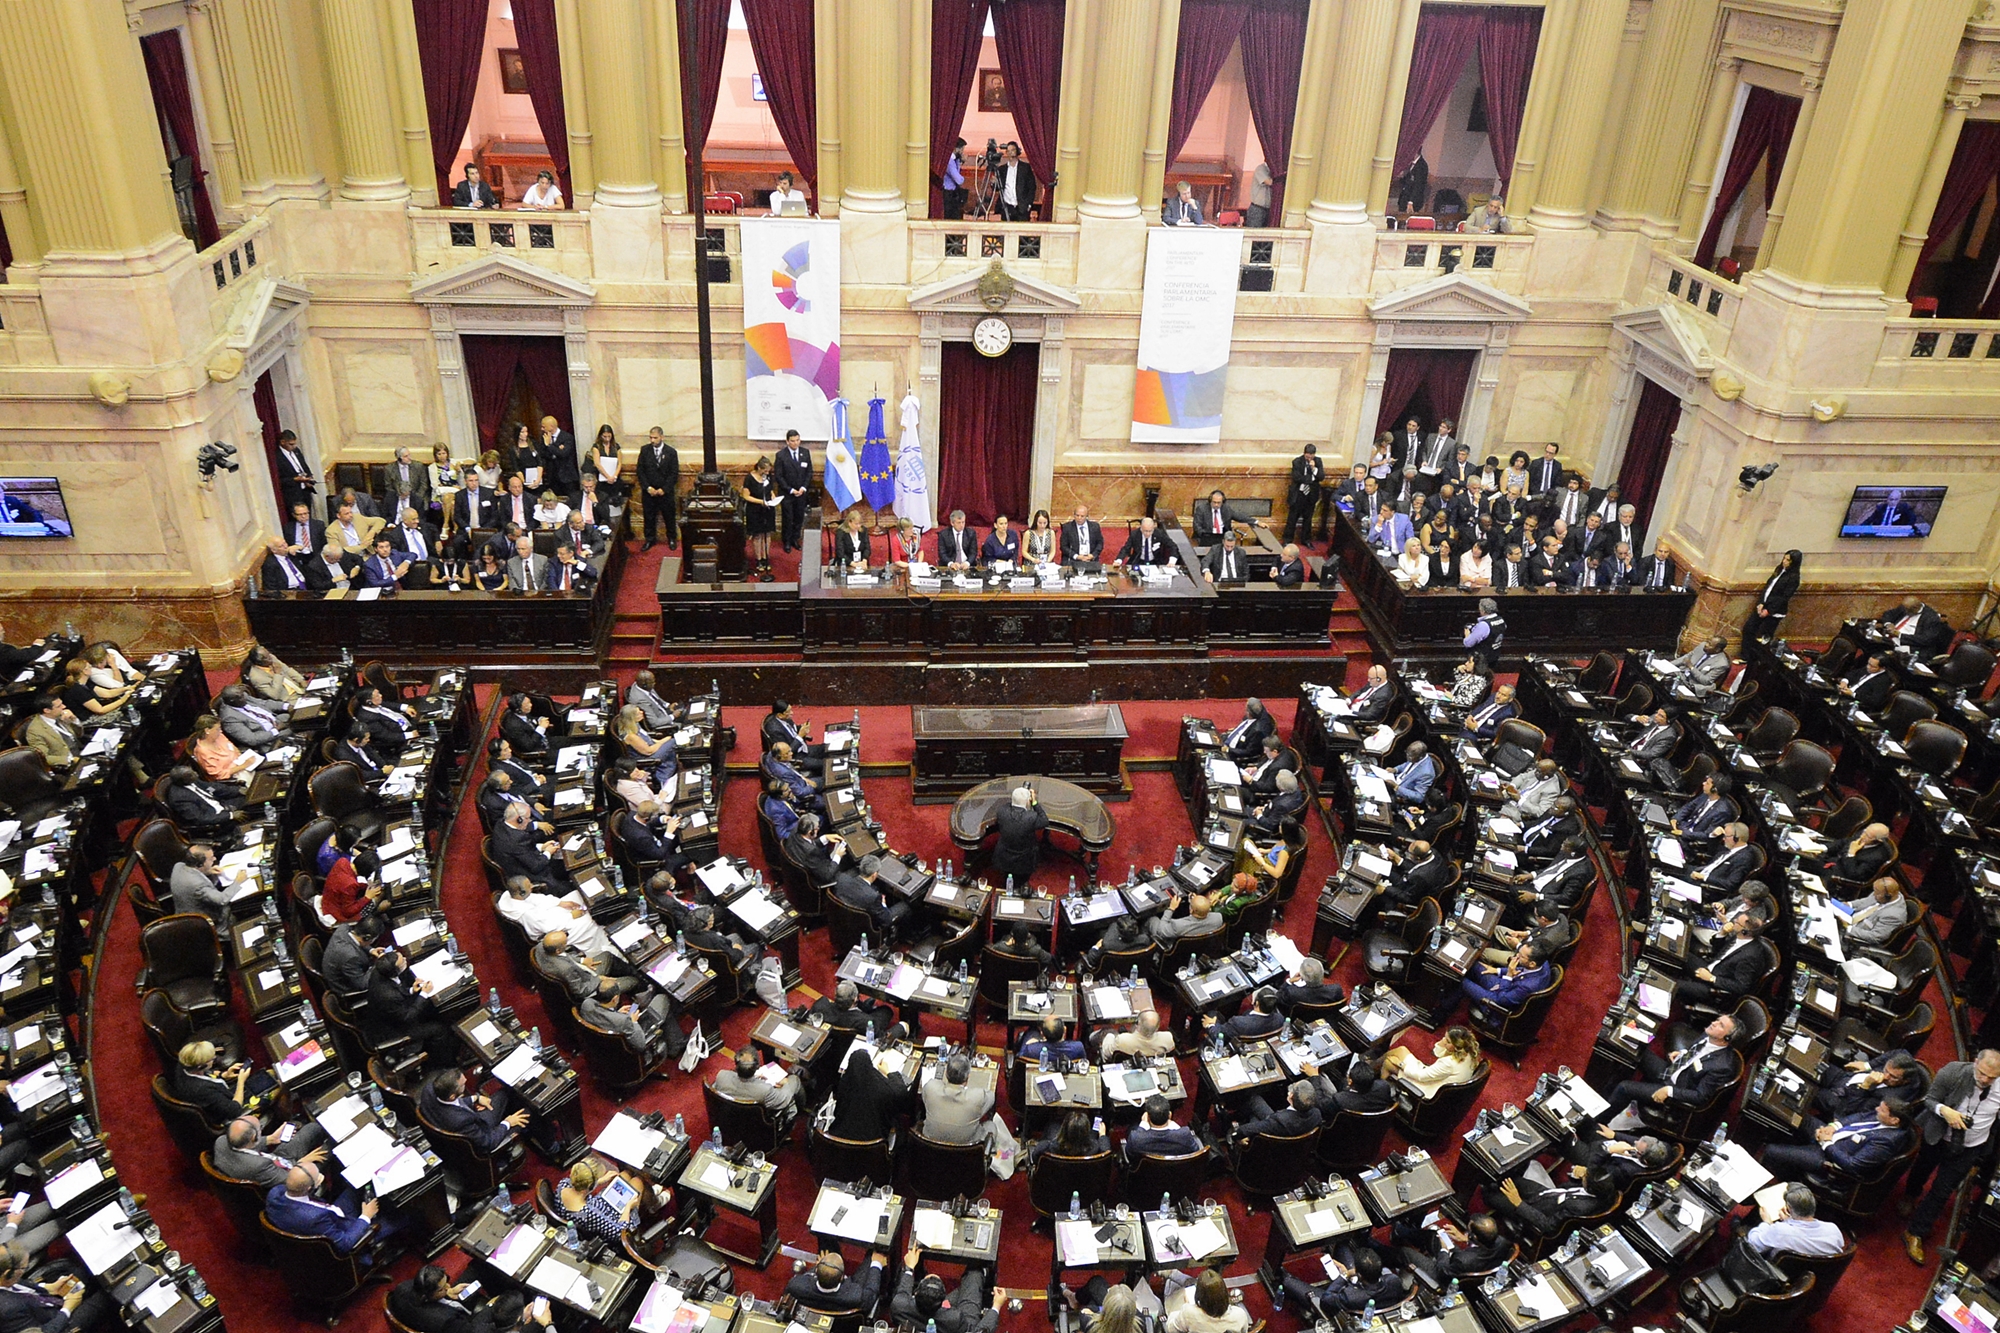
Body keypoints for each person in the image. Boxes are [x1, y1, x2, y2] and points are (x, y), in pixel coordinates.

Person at [1902, 1048, 2000, 1263]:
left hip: (1970, 1146)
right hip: (1939, 1136)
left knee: (1942, 1191)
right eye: (1982, 1073)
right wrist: (1944, 1110)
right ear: (1975, 1062)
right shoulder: (1954, 1071)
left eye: (1992, 1077)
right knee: (1922, 1169)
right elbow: (1929, 1099)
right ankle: (1910, 1194)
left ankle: (1915, 1232)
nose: (1985, 1080)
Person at [1600, 1013, 1740, 1124]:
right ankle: (1605, 1093)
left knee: (1625, 1088)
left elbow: (1700, 1097)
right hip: (1671, 1071)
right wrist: (1684, 1054)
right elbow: (1697, 1052)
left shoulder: (1722, 1067)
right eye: (1717, 1020)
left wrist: (1669, 1091)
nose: (1714, 1023)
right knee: (1637, 1048)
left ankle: (1598, 1121)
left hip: (1675, 1089)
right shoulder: (1709, 1034)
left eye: (1720, 1025)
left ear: (1726, 1038)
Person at [1762, 1096, 1914, 1182]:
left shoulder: (1886, 1143)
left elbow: (1852, 1165)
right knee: (1793, 1114)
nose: (1876, 1110)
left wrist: (1826, 1142)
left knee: (1771, 1151)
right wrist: (1834, 1126)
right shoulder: (1884, 1117)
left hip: (1829, 1159)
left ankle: (1781, 1179)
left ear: (1894, 1120)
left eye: (1881, 1110)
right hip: (1832, 1135)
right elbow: (1860, 1116)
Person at [0, 1241, 116, 1332]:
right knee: (107, 1294)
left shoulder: (4, 1277)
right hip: (58, 1324)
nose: (25, 1269)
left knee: (84, 1272)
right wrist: (67, 1309)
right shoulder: (9, 1310)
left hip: (46, 1301)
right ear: (7, 1273)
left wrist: (49, 1288)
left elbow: (20, 1287)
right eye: (23, 1268)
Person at [1487, 1161, 1618, 1241]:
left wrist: (1519, 1203)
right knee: (1510, 1178)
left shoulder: (1578, 1208)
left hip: (1534, 1211)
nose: (1584, 1173)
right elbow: (1567, 1189)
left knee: (1490, 1195)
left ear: (1588, 1186)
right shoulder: (1606, 1188)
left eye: (1585, 1176)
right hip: (1547, 1194)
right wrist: (1576, 1176)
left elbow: (1548, 1226)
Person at [389, 1264, 536, 1333]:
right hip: (464, 1323)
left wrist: (447, 1293)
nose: (448, 1287)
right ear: (426, 1295)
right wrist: (490, 1306)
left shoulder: (404, 1287)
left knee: (477, 1267)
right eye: (442, 1289)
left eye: (446, 1282)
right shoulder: (446, 1321)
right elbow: (473, 1329)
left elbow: (442, 1291)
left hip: (441, 1307)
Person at [418, 1067, 530, 1156]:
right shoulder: (460, 1121)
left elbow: (451, 1103)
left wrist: (475, 1098)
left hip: (450, 1121)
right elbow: (488, 1143)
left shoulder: (429, 1090)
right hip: (483, 1133)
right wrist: (507, 1123)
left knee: (505, 1092)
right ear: (452, 1096)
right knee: (527, 1111)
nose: (466, 1081)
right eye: (463, 1085)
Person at [497, 876, 616, 957]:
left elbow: (537, 899)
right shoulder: (526, 914)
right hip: (550, 931)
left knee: (576, 895)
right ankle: (602, 946)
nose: (532, 886)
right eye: (529, 886)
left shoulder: (510, 894)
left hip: (547, 916)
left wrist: (559, 903)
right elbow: (548, 927)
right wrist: (571, 916)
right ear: (521, 892)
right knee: (589, 920)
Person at [212, 1115, 329, 1191]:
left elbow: (245, 1145)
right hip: (288, 1173)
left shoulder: (221, 1141)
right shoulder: (260, 1167)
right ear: (253, 1137)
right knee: (329, 1149)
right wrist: (302, 1162)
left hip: (276, 1159)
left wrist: (270, 1139)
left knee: (313, 1128)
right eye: (260, 1128)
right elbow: (292, 1182)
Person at [1278, 1247, 1402, 1317]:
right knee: (1343, 1248)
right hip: (1363, 1292)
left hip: (1339, 1305)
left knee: (1288, 1281)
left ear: (1359, 1274)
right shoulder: (1394, 1280)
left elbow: (1326, 1299)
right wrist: (1354, 1280)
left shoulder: (1349, 1297)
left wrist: (1344, 1276)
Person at [827, 1047, 911, 1141]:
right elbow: (901, 1091)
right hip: (873, 1147)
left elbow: (837, 1111)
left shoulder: (843, 1084)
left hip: (838, 1143)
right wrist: (889, 1073)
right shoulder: (884, 1090)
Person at [1748, 1183, 1847, 1259]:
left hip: (1781, 1274)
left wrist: (1767, 1223)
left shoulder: (1779, 1231)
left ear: (1789, 1208)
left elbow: (1753, 1244)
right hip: (1817, 1276)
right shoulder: (1834, 1230)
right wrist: (1788, 1221)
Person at [1381, 1027, 1481, 1099]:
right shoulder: (1468, 1052)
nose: (1443, 1040)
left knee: (1389, 1062)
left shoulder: (1449, 1063)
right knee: (1401, 1050)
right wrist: (1444, 1043)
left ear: (1456, 1046)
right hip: (1432, 1076)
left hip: (1427, 1087)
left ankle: (1378, 1092)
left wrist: (1400, 1064)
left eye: (1448, 1041)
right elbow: (1437, 1053)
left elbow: (1421, 1077)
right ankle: (1374, 1066)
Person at [921, 1052, 995, 1145]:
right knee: (991, 1126)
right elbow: (991, 1097)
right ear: (968, 1077)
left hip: (930, 1145)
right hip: (966, 1151)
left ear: (946, 1074)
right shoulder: (978, 1096)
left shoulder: (930, 1087)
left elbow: (924, 1099)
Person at [1462, 940, 1552, 1016]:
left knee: (1460, 979)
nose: (1516, 957)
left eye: (1521, 956)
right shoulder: (1543, 963)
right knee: (1473, 964)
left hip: (1495, 1002)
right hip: (1506, 986)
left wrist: (1509, 975)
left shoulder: (1527, 986)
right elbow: (1522, 969)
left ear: (1532, 963)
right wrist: (1497, 970)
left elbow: (1500, 1000)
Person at [714, 1048, 802, 1121]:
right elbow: (784, 1098)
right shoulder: (765, 1091)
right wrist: (787, 1082)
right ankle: (802, 1108)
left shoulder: (721, 1076)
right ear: (757, 1067)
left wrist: (754, 1078)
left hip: (731, 1119)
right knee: (794, 1080)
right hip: (759, 1127)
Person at [786, 1249, 887, 1313]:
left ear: (816, 1270)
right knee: (874, 1253)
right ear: (843, 1277)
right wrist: (876, 1264)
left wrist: (821, 1267)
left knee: (827, 1248)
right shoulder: (857, 1296)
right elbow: (871, 1293)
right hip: (851, 1288)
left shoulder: (795, 1286)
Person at [834, 855, 910, 939]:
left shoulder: (842, 879)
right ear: (874, 875)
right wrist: (883, 905)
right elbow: (886, 920)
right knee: (906, 906)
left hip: (841, 919)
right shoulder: (873, 897)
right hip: (865, 928)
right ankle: (901, 937)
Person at [992, 785, 1048, 888]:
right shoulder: (1031, 817)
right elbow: (1044, 821)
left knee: (1006, 878)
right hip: (1024, 859)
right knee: (1022, 881)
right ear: (1028, 801)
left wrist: (1018, 798)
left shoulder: (1001, 811)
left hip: (1004, 856)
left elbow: (1009, 805)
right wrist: (1034, 803)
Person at [636, 425, 679, 551]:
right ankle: (650, 539)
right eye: (651, 438)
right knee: (649, 517)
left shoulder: (671, 452)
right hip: (649, 492)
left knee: (669, 517)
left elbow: (674, 473)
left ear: (662, 437)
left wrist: (664, 489)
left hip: (665, 492)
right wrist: (647, 487)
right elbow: (640, 471)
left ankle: (672, 539)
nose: (652, 440)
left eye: (655, 438)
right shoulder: (645, 451)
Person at [739, 455, 782, 580]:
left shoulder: (768, 476)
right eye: (765, 470)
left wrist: (773, 496)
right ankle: (759, 559)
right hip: (755, 510)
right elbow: (746, 496)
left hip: (768, 509)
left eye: (768, 471)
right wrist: (760, 501)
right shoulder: (749, 478)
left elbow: (770, 490)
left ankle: (766, 558)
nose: (767, 473)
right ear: (759, 468)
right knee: (758, 535)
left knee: (767, 534)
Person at [1744, 549, 1801, 643]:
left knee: (1762, 638)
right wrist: (1761, 603)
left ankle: (1755, 656)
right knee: (1749, 629)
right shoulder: (1779, 570)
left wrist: (1769, 610)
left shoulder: (1794, 578)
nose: (1784, 561)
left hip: (1774, 611)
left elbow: (1784, 597)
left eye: (1788, 560)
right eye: (1784, 558)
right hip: (1763, 605)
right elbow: (1768, 587)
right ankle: (1746, 656)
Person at [1165, 1269, 1247, 1333]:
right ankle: (1175, 1274)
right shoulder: (1240, 1315)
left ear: (1199, 1297)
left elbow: (1170, 1328)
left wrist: (1183, 1308)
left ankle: (1172, 1274)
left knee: (1172, 1284)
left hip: (1183, 1317)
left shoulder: (1188, 1312)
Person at [168, 843, 231, 925]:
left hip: (184, 916)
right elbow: (222, 900)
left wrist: (206, 871)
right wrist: (238, 881)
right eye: (211, 858)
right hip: (206, 924)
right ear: (201, 864)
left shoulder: (178, 866)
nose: (215, 859)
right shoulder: (198, 885)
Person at [772, 430, 813, 553]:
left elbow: (809, 472)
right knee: (788, 518)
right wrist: (790, 489)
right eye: (793, 441)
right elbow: (778, 476)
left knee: (799, 517)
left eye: (797, 440)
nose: (795, 443)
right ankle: (787, 541)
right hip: (787, 493)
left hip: (801, 493)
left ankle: (795, 539)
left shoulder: (805, 453)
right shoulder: (781, 455)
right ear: (787, 441)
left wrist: (803, 488)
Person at [1842, 876, 1911, 948]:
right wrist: (1850, 904)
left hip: (1853, 936)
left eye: (1877, 893)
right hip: (1848, 918)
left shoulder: (1893, 916)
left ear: (1888, 896)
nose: (1874, 895)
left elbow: (1874, 937)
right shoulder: (1885, 893)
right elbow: (1866, 901)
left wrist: (1846, 927)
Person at [1881, 595, 1955, 657]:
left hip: (1911, 647)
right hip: (1889, 639)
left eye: (1907, 610)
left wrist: (1900, 635)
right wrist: (1889, 624)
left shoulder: (1931, 618)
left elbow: (1925, 640)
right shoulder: (1906, 607)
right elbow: (1888, 614)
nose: (1904, 612)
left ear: (1915, 608)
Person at [1284, 443, 1324, 543]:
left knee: (1308, 519)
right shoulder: (1297, 461)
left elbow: (1321, 477)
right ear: (1304, 453)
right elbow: (1297, 477)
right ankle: (1287, 540)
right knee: (1292, 518)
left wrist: (1314, 469)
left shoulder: (1318, 461)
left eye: (1311, 455)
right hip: (1298, 494)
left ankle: (1306, 540)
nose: (1309, 457)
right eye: (1307, 455)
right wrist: (1312, 478)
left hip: (1311, 495)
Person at [1147, 892, 1220, 946]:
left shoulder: (1178, 925)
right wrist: (1195, 902)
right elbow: (1201, 910)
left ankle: (1144, 940)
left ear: (1191, 910)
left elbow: (1161, 931)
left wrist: (1171, 909)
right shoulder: (1218, 918)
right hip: (1199, 946)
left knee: (1152, 919)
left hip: (1171, 945)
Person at [1100, 1011, 1176, 1060]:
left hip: (1124, 1064)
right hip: (1151, 1065)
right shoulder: (1167, 1037)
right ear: (1157, 1027)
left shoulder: (1122, 1039)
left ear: (1138, 1024)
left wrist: (1109, 1038)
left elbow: (1108, 1054)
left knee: (1109, 1034)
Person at [996, 142, 1036, 221]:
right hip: (1007, 208)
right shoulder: (1002, 169)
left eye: (1013, 150)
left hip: (1021, 208)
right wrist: (994, 182)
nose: (1010, 152)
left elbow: (1032, 187)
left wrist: (1029, 205)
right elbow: (998, 188)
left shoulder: (1025, 168)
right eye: (1008, 150)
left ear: (1017, 151)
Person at [940, 138, 968, 220]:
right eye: (962, 149)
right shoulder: (949, 161)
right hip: (947, 193)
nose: (963, 152)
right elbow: (958, 179)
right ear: (956, 149)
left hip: (953, 192)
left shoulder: (954, 160)